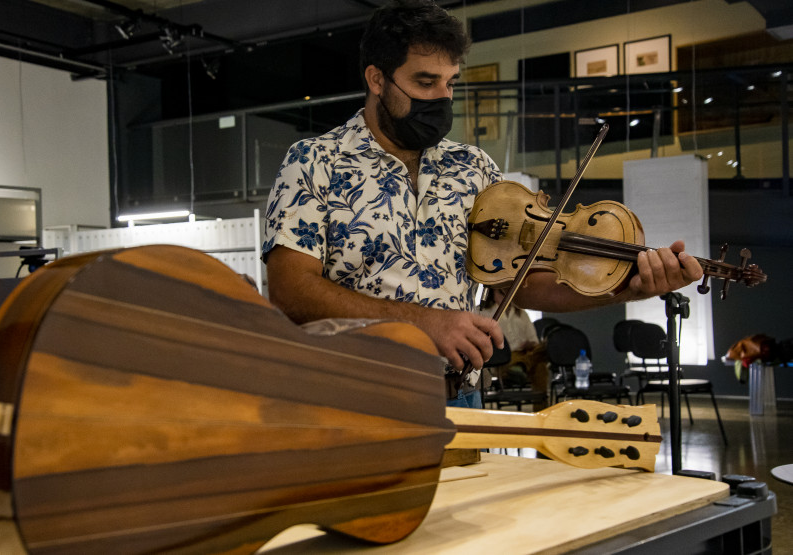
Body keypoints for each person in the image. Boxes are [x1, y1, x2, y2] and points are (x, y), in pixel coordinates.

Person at [261, 0, 702, 409]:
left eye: (450, 82)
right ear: (377, 79)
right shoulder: (314, 161)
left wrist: (627, 289)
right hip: (351, 400)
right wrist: (424, 322)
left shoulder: (474, 168)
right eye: (425, 82)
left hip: (458, 399)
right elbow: (290, 290)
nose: (442, 96)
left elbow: (522, 285)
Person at [479, 288, 550, 410]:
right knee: (537, 359)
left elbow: (534, 340)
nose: (506, 296)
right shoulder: (484, 313)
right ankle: (520, 366)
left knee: (540, 366)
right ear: (492, 292)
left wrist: (529, 345)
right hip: (502, 360)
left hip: (525, 353)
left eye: (509, 292)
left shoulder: (521, 313)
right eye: (501, 293)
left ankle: (541, 411)